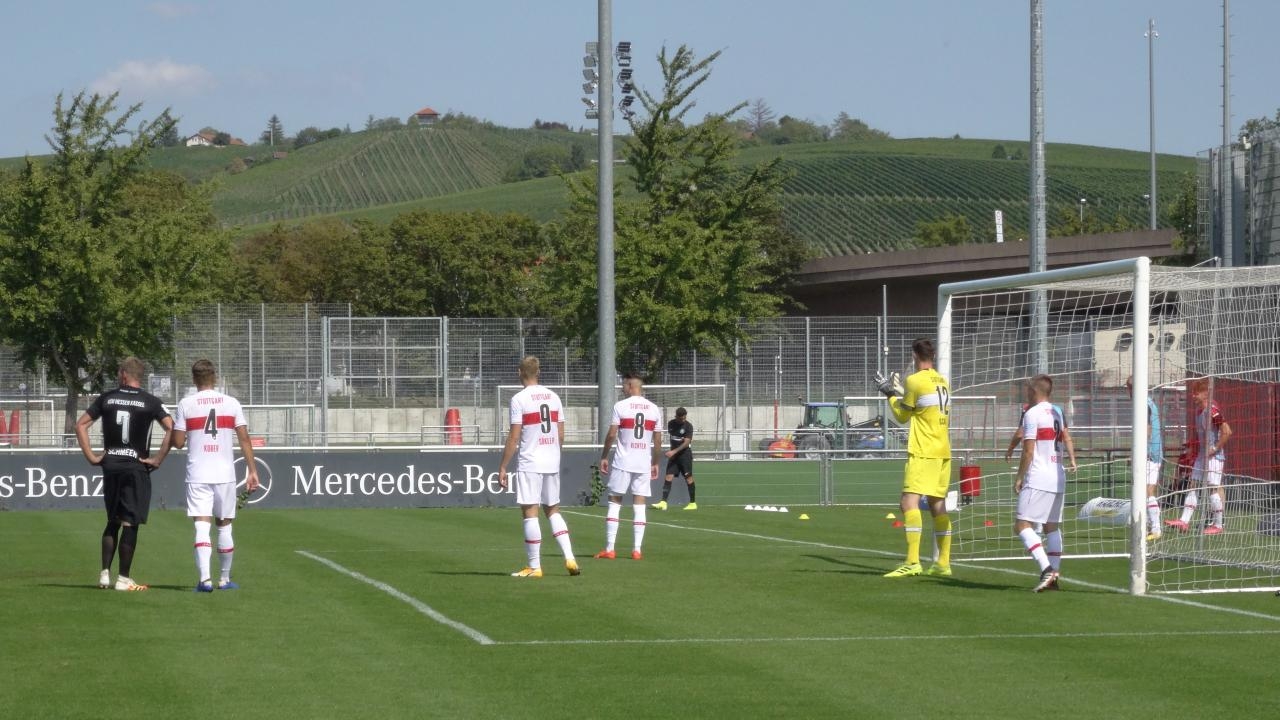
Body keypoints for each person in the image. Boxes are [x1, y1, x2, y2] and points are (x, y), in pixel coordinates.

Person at [74, 357, 174, 592]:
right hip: (135, 466)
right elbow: (172, 427)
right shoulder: (151, 402)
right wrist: (158, 459)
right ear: (139, 376)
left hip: (110, 465)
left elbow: (81, 425)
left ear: (123, 375)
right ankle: (124, 578)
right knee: (130, 522)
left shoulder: (107, 398)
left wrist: (91, 456)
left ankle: (104, 575)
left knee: (112, 520)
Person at [170, 360, 260, 592]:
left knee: (202, 524)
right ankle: (225, 579)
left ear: (194, 379)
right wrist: (252, 470)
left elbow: (178, 443)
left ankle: (204, 580)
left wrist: (185, 431)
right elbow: (244, 438)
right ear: (215, 378)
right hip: (225, 473)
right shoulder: (231, 403)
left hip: (198, 473)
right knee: (224, 525)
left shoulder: (186, 404)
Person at [876, 338, 953, 578]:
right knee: (937, 504)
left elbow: (901, 416)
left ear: (914, 355)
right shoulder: (943, 380)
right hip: (943, 450)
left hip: (923, 450)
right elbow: (919, 406)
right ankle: (943, 562)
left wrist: (888, 392)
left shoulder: (915, 380)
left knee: (908, 503)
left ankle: (912, 562)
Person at [497, 356, 580, 578]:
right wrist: (554, 453)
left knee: (530, 513)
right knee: (553, 510)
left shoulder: (519, 399)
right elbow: (561, 434)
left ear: (519, 373)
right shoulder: (554, 397)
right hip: (552, 460)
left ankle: (534, 567)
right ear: (538, 372)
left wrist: (503, 466)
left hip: (530, 461)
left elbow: (514, 437)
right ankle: (569, 557)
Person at [595, 373, 662, 561]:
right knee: (639, 505)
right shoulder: (654, 408)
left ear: (632, 385)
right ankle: (637, 550)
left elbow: (611, 435)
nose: (622, 387)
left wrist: (604, 456)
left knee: (615, 501)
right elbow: (658, 440)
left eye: (624, 384)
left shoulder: (620, 406)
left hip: (623, 462)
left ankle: (610, 549)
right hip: (643, 463)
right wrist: (655, 462)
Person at [1013, 374, 1068, 592]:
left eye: (1028, 390)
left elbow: (1028, 450)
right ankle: (1054, 574)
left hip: (1038, 476)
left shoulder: (1032, 413)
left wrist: (1019, 477)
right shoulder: (1057, 412)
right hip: (1057, 475)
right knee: (1051, 526)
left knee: (1021, 525)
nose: (1026, 393)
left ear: (1034, 391)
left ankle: (1046, 569)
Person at [1166, 379, 1232, 534]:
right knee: (1193, 485)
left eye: (1196, 392)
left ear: (1206, 394)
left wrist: (1215, 448)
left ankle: (1218, 525)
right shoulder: (1199, 412)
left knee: (1212, 489)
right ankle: (1184, 521)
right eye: (1192, 392)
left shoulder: (1213, 411)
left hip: (1214, 457)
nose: (1193, 395)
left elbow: (1227, 431)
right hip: (1202, 456)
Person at [1125, 376, 1164, 541]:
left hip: (1150, 453)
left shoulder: (1144, 404)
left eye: (1128, 387)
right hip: (1152, 452)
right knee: (1145, 491)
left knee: (1147, 491)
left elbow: (1147, 430)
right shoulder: (1147, 402)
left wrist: (1137, 453)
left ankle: (1155, 528)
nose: (1128, 391)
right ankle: (1150, 525)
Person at [653, 407, 695, 510]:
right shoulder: (671, 424)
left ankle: (692, 503)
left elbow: (686, 443)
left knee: (688, 478)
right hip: (674, 456)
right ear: (676, 416)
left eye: (684, 418)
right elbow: (675, 439)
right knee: (668, 476)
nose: (683, 420)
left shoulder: (688, 426)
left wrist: (674, 451)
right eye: (681, 419)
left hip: (685, 455)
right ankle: (663, 502)